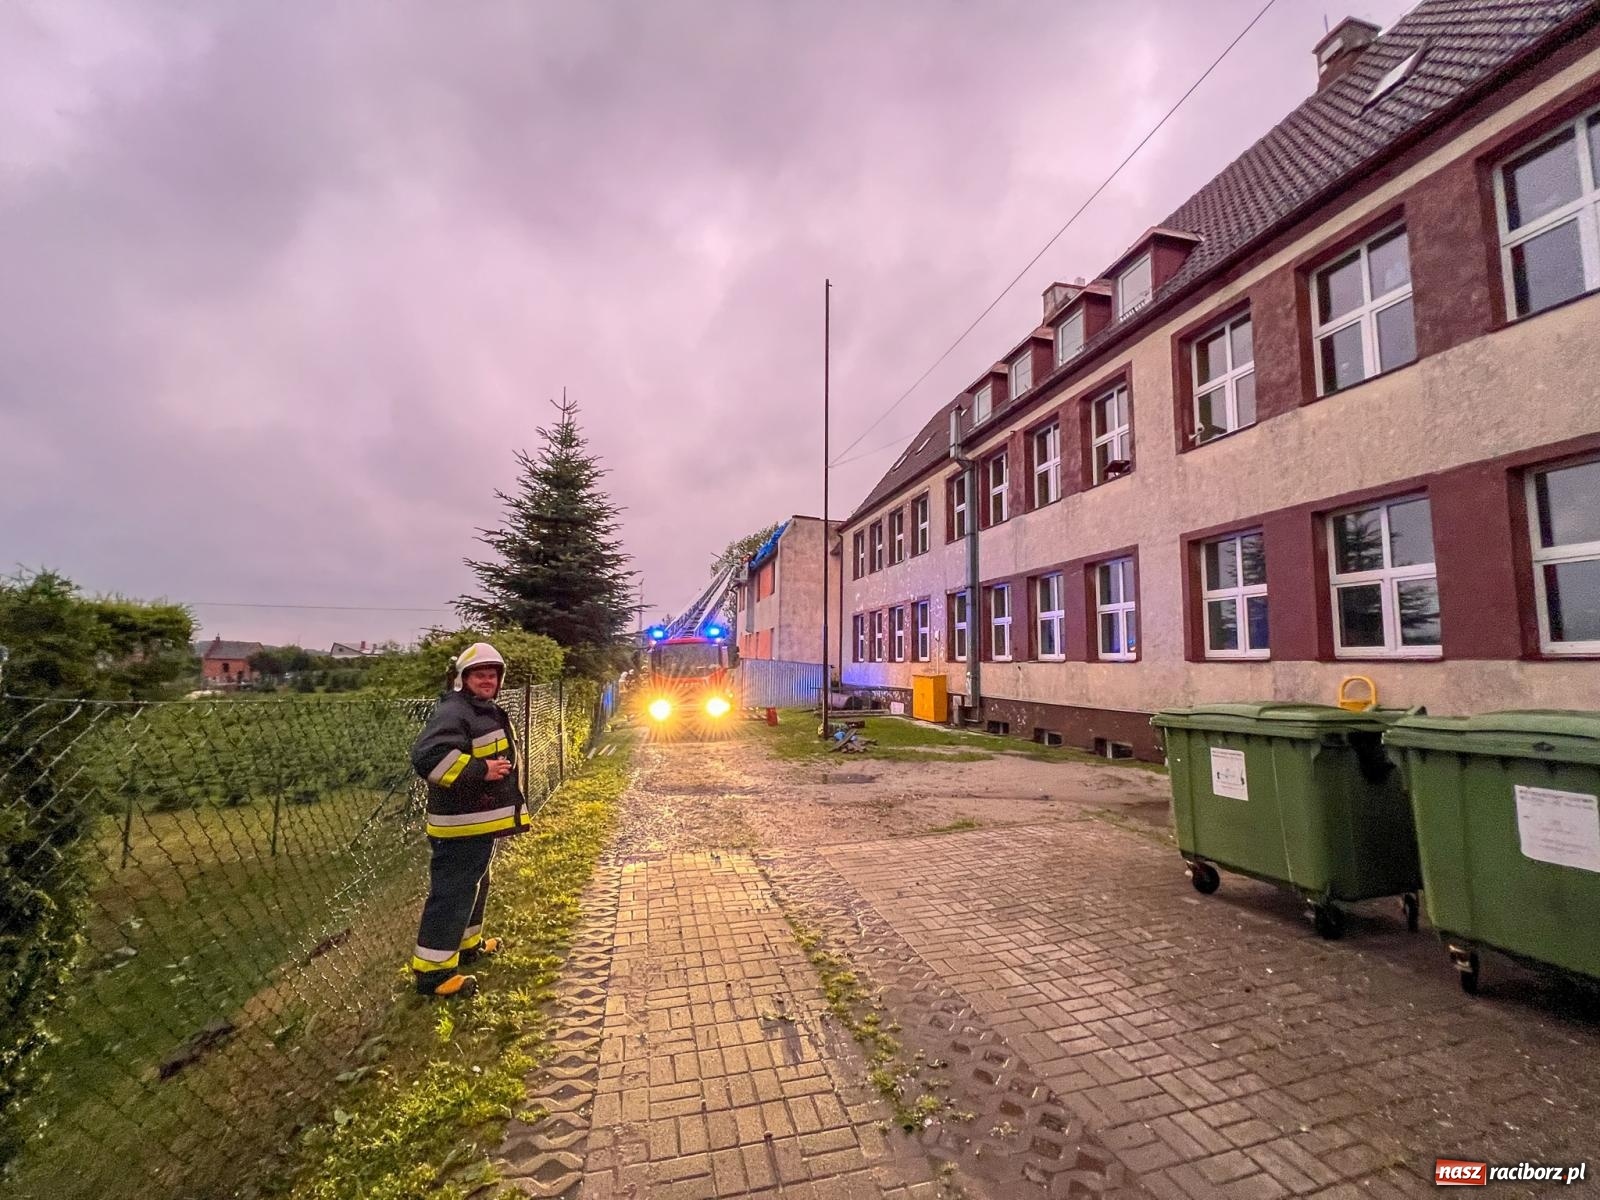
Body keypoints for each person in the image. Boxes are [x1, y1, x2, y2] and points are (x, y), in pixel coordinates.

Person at [407, 641, 530, 997]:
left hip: (476, 823)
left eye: (492, 675)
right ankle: (434, 976)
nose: (487, 680)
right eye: (480, 674)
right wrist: (480, 770)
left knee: (473, 886)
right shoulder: (455, 711)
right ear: (463, 678)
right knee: (452, 893)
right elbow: (428, 757)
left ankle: (466, 947)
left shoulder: (479, 709)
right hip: (459, 826)